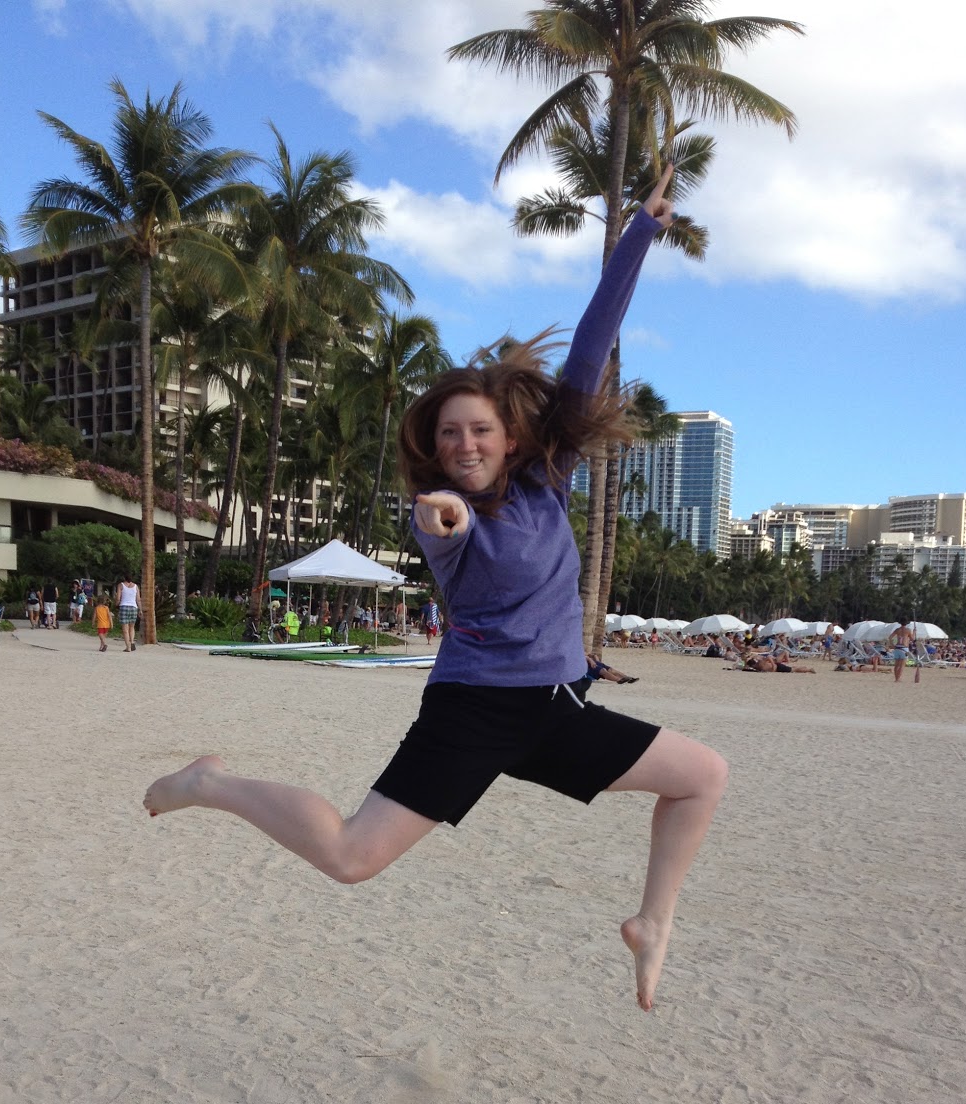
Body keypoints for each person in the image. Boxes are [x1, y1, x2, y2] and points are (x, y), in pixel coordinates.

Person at [145, 167, 726, 1011]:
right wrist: (445, 514)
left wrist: (640, 231)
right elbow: (441, 520)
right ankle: (209, 784)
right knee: (351, 857)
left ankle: (652, 923)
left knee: (702, 775)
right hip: (473, 712)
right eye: (450, 433)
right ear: (436, 445)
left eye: (479, 429)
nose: (464, 444)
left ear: (511, 436)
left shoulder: (547, 481)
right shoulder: (441, 515)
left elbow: (593, 344)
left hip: (558, 709)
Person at [115, 574, 140, 652]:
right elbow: (138, 599)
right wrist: (140, 610)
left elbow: (118, 598)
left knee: (125, 629)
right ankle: (132, 642)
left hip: (124, 606)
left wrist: (116, 604)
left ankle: (128, 647)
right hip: (133, 607)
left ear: (124, 578)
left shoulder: (121, 585)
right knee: (132, 627)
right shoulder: (136, 586)